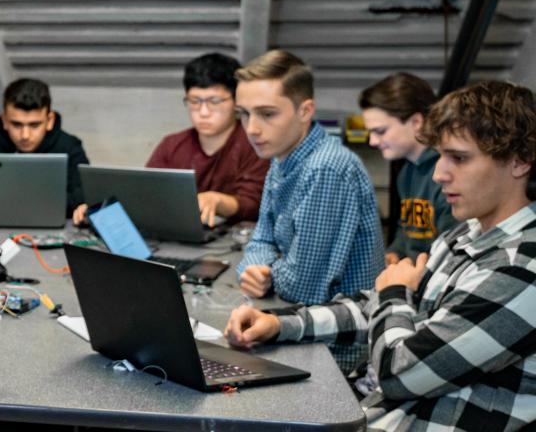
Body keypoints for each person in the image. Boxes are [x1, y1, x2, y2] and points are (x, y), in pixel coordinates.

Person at [225, 80, 536, 431]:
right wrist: (282, 325)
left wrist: (394, 293)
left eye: (459, 158)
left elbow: (400, 373)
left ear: (520, 160)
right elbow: (372, 308)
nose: (439, 173)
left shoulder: (522, 268)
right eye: (441, 155)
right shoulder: (464, 235)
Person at [233, 50, 382, 306]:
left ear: (305, 111)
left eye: (267, 114)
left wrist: (266, 273)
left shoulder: (326, 169)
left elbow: (301, 287)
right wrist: (258, 268)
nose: (252, 129)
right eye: (244, 113)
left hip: (334, 338)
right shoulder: (281, 156)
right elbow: (260, 240)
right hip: (303, 319)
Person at [144, 52, 268, 226]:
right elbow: (147, 194)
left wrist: (217, 201)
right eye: (194, 101)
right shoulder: (172, 145)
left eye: (215, 101)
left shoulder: (255, 144)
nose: (203, 112)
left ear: (236, 101)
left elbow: (255, 204)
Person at [359, 73, 456, 265]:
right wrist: (394, 252)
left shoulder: (448, 173)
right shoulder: (406, 173)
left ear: (416, 122)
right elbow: (406, 229)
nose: (372, 141)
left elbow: (450, 250)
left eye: (380, 131)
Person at [0, 78, 90, 222]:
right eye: (17, 124)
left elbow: (85, 195)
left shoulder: (70, 147)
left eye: (34, 125)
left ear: (49, 120)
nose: (25, 135)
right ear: (5, 121)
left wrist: (7, 199)